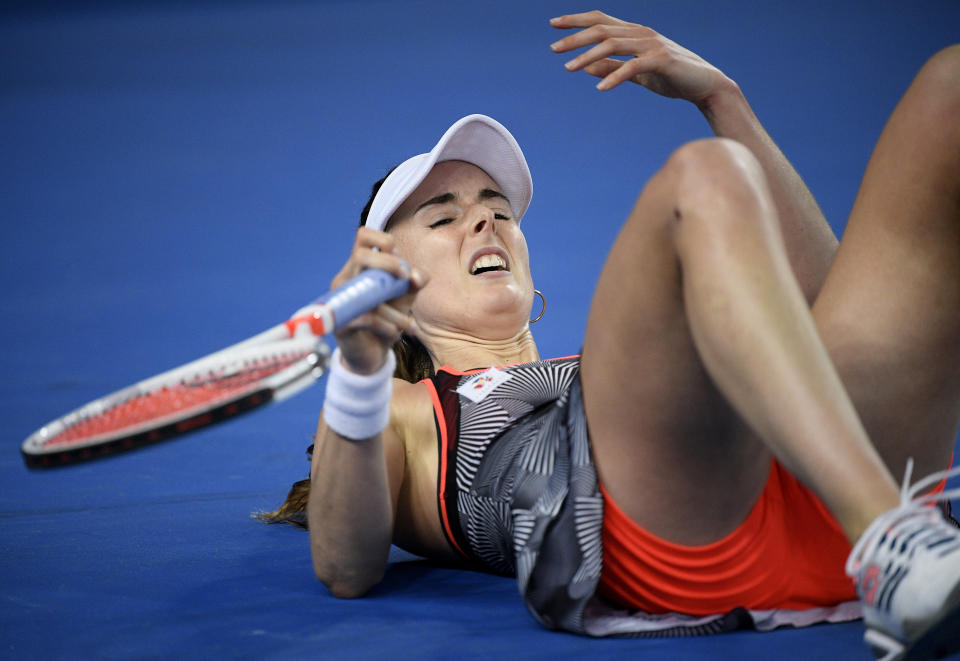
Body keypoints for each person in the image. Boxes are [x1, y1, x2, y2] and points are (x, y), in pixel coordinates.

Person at [260, 10, 960, 659]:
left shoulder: (615, 365)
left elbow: (839, 317)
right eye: (442, 219)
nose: (484, 222)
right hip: (679, 538)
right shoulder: (404, 407)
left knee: (947, 90)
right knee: (706, 176)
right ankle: (889, 535)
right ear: (392, 290)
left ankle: (885, 534)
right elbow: (344, 566)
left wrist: (722, 98)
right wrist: (356, 369)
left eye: (498, 208)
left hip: (819, 510)